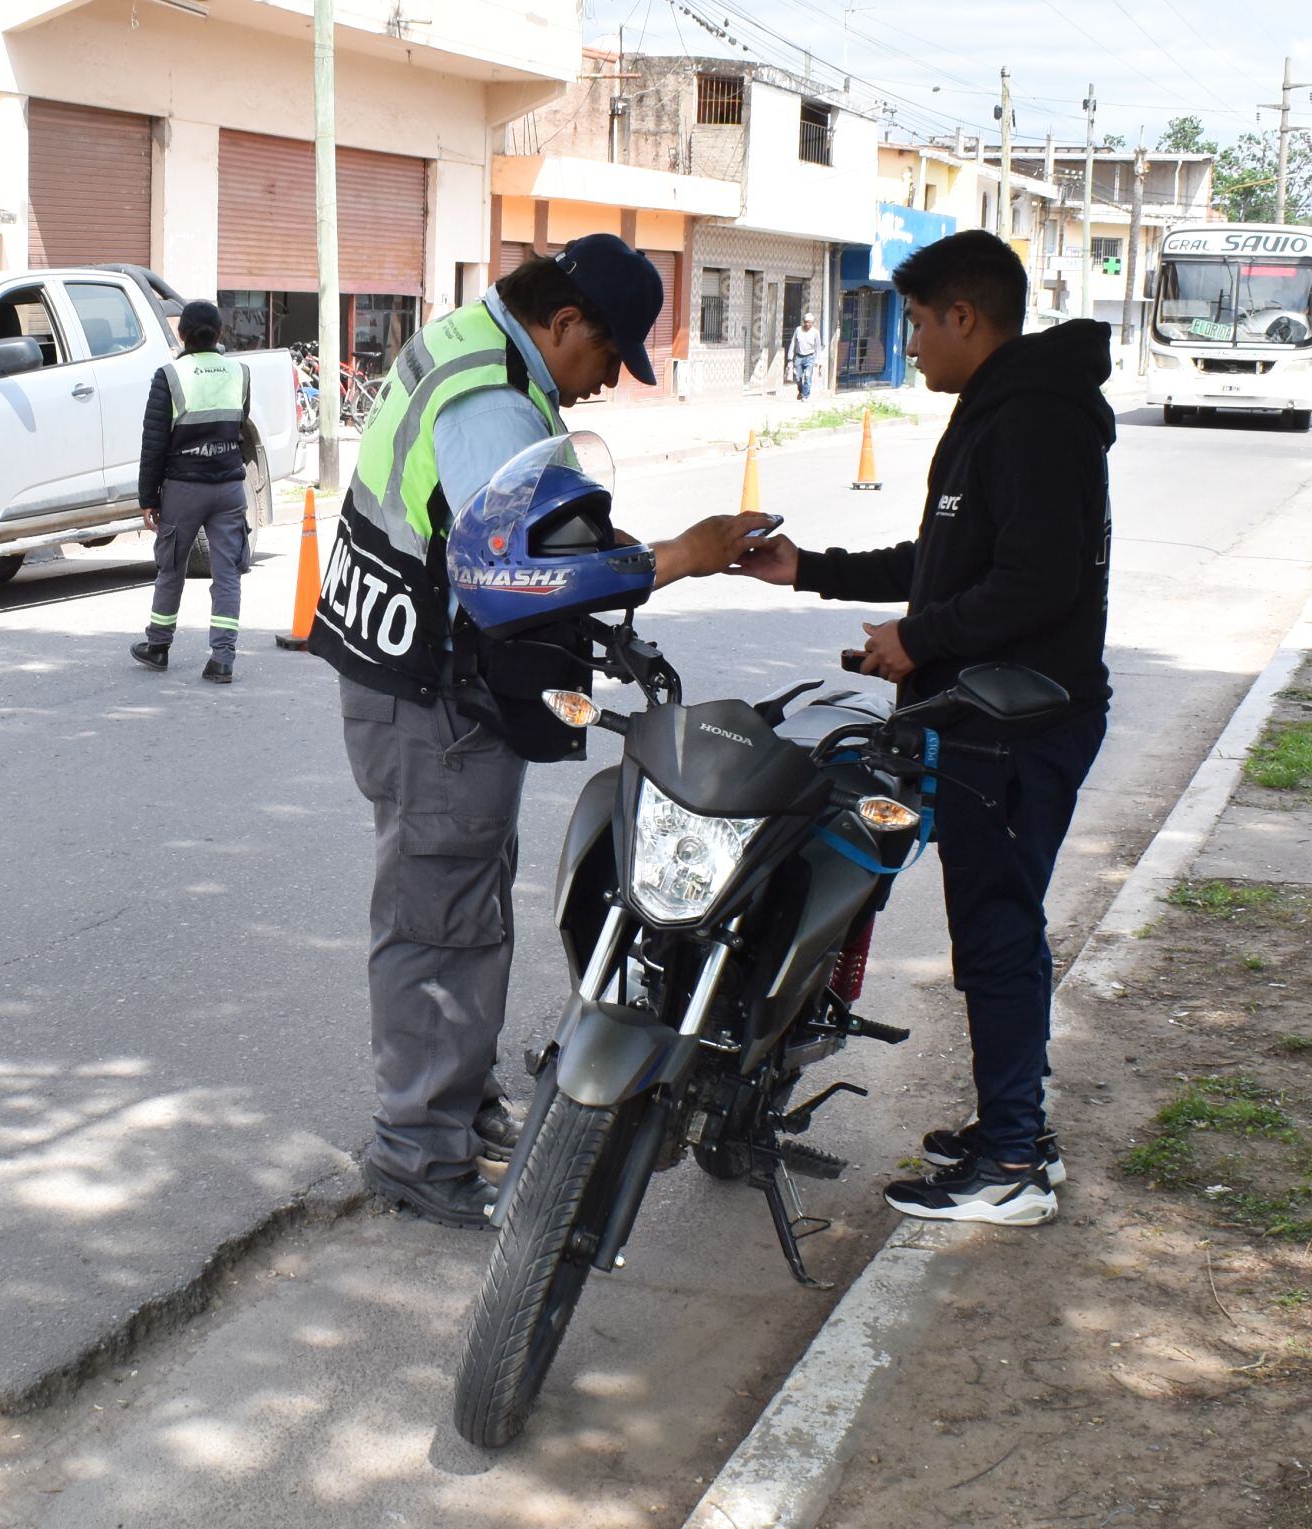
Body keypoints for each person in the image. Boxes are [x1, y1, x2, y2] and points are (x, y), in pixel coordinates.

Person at [308, 234, 774, 1228]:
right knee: (438, 917)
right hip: (430, 688)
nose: (606, 383)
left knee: (462, 901)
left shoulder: (473, 343)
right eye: (609, 357)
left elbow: (503, 518)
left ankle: (458, 1105)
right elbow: (507, 574)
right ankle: (416, 1150)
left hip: (414, 676)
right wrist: (672, 559)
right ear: (565, 324)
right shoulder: (494, 401)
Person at [733, 229, 1112, 1227]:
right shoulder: (1000, 412)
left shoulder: (1029, 420)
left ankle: (1014, 1162)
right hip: (978, 715)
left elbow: (1036, 582)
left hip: (1019, 726)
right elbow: (946, 562)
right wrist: (813, 568)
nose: (909, 343)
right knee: (989, 925)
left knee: (996, 932)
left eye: (915, 321)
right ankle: (1011, 1130)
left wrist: (921, 637)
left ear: (963, 317)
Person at [132, 299, 259, 684]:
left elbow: (153, 443)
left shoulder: (169, 376)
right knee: (227, 574)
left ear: (180, 333)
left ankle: (158, 647)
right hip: (229, 488)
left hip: (183, 490)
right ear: (220, 333)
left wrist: (147, 498)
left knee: (171, 568)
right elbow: (241, 424)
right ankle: (222, 659)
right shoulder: (241, 373)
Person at [790, 311, 819, 400]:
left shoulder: (815, 332)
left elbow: (818, 347)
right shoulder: (798, 330)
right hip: (799, 356)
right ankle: (801, 391)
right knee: (797, 378)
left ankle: (805, 396)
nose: (807, 324)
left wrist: (818, 361)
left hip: (809, 357)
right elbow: (793, 342)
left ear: (812, 323)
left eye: (809, 322)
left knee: (807, 376)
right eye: (805, 322)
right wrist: (790, 356)